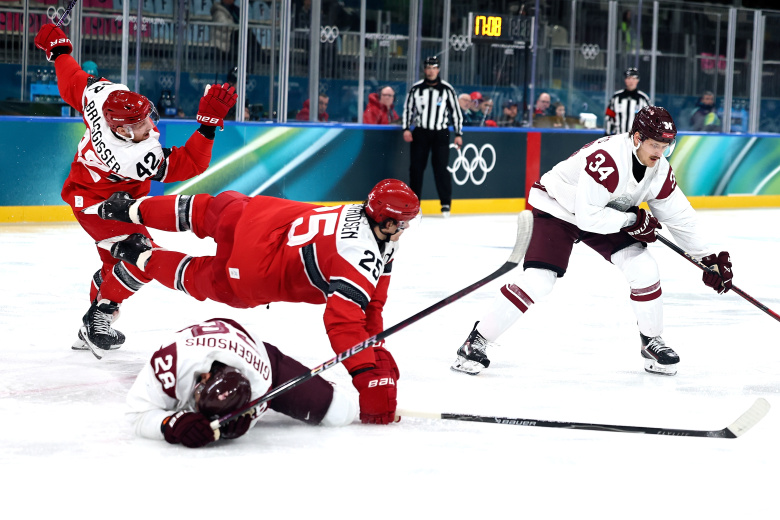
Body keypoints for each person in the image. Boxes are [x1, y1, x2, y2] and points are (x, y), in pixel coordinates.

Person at [86, 179, 420, 425]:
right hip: (254, 271)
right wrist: (369, 377)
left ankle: (128, 208)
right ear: (388, 222)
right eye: (403, 222)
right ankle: (142, 257)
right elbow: (345, 322)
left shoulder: (362, 215)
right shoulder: (361, 255)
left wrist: (377, 354)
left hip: (259, 217)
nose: (405, 229)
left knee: (203, 211)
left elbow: (372, 305)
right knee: (203, 277)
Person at [451, 106, 735, 377]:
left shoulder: (659, 169)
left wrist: (707, 257)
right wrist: (632, 220)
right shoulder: (609, 159)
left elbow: (680, 216)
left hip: (607, 212)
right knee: (539, 280)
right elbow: (589, 218)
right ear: (638, 138)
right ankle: (476, 340)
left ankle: (651, 342)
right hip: (560, 208)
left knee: (644, 268)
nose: (660, 153)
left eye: (666, 147)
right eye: (655, 146)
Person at [33, 23, 237, 357]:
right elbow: (189, 164)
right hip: (99, 206)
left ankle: (93, 323)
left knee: (116, 265)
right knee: (143, 257)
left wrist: (58, 50)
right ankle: (99, 315)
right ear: (124, 132)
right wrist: (208, 127)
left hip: (97, 193)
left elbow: (72, 81)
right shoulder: (131, 156)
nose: (150, 125)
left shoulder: (102, 98)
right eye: (141, 125)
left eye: (147, 116)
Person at [126, 317, 358, 448]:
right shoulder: (170, 365)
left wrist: (237, 423)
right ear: (204, 377)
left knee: (339, 412)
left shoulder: (260, 382)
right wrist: (169, 424)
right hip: (205, 343)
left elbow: (238, 417)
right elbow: (136, 415)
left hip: (265, 359)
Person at [401, 55, 463, 217]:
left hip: (440, 133)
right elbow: (408, 109)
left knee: (441, 168)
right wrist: (406, 128)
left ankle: (445, 204)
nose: (431, 71)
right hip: (421, 132)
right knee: (416, 169)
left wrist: (458, 133)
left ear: (438, 69)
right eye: (428, 68)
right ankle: (414, 205)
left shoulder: (447, 89)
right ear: (424, 69)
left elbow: (456, 112)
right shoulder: (416, 88)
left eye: (434, 68)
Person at [605, 67, 650, 135]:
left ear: (637, 80)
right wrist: (607, 134)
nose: (631, 81)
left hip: (636, 138)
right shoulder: (616, 97)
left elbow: (649, 119)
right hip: (618, 137)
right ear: (625, 80)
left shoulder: (643, 99)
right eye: (629, 78)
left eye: (634, 78)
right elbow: (609, 116)